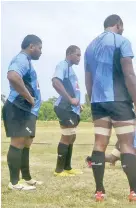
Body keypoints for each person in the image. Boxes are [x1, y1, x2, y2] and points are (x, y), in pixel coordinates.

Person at [84, 14, 136, 202]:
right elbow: (129, 73)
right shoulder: (122, 41)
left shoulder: (90, 47)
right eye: (122, 27)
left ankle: (99, 192)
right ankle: (135, 192)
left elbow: (88, 78)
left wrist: (92, 101)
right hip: (119, 101)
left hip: (98, 102)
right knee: (126, 145)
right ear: (118, 24)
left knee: (99, 144)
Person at [2, 34, 43, 191]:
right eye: (39, 48)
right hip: (16, 106)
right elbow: (12, 76)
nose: (40, 51)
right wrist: (29, 97)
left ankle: (27, 178)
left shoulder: (27, 61)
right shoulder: (21, 59)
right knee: (17, 143)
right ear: (31, 46)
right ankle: (13, 183)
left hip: (25, 109)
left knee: (26, 143)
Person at [52, 45, 83, 177]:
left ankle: (67, 167)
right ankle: (59, 170)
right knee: (67, 135)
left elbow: (72, 88)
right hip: (64, 107)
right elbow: (55, 82)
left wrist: (78, 104)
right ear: (69, 53)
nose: (79, 58)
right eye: (77, 54)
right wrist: (70, 100)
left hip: (72, 108)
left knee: (72, 136)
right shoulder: (62, 65)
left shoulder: (71, 70)